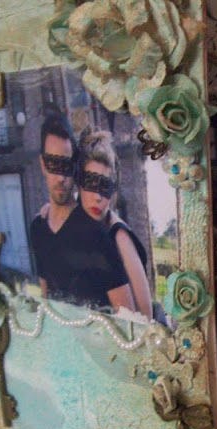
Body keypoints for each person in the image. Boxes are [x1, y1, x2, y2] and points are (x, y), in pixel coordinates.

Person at [29, 108, 134, 312]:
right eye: (53, 164)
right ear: (42, 164)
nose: (61, 177)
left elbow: (128, 316)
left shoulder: (94, 233)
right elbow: (45, 297)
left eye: (66, 165)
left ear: (75, 167)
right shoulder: (37, 228)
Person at [77, 128, 153, 320]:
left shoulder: (119, 236)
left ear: (113, 192)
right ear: (79, 184)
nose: (97, 197)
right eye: (90, 184)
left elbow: (144, 317)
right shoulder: (80, 228)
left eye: (104, 187)